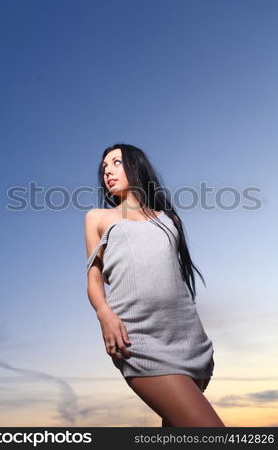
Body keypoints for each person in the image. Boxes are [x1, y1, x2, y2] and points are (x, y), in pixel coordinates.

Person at [85, 143, 225, 427]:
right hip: (138, 338)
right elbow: (94, 276)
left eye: (116, 163)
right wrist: (104, 314)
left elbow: (174, 276)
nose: (107, 172)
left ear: (136, 166)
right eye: (104, 168)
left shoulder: (169, 219)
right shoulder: (98, 218)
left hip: (189, 337)